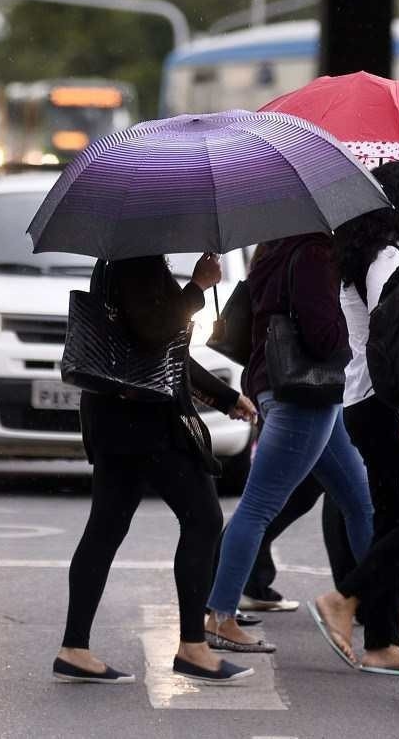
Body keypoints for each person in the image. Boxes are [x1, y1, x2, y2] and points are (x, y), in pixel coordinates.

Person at [55, 254, 258, 686]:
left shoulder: (125, 254)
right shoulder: (138, 257)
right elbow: (153, 331)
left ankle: (75, 647)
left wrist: (223, 396)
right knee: (203, 519)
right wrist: (199, 287)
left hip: (117, 416)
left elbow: (157, 351)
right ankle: (192, 646)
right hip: (143, 422)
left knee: (105, 528)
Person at [206, 234, 375, 655]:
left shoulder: (274, 246)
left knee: (359, 500)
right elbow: (321, 335)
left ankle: (386, 607)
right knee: (259, 506)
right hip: (305, 395)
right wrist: (352, 318)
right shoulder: (315, 252)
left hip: (294, 391)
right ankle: (220, 616)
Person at [309, 161, 399, 677]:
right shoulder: (384, 256)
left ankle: (382, 640)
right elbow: (390, 334)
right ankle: (344, 598)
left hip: (367, 398)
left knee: (393, 517)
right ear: (398, 208)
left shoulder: (366, 250)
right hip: (382, 399)